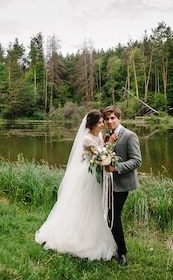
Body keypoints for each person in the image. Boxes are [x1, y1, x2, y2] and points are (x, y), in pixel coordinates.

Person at [35, 110, 118, 261]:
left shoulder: (98, 135)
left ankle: (95, 233)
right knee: (87, 204)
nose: (103, 124)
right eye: (100, 122)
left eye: (102, 121)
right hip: (89, 176)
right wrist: (110, 144)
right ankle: (81, 238)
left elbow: (99, 151)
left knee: (96, 205)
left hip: (96, 173)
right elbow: (98, 156)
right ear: (93, 124)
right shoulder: (86, 139)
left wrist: (105, 142)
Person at [103, 105, 142, 266]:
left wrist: (116, 168)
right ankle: (111, 247)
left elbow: (137, 160)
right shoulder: (108, 136)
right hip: (107, 183)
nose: (110, 121)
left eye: (113, 118)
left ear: (119, 118)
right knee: (107, 216)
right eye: (107, 119)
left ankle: (122, 253)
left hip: (122, 184)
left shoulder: (129, 136)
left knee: (114, 217)